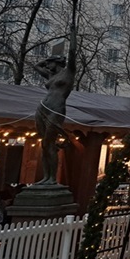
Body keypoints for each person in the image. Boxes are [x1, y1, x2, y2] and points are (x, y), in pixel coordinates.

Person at [34, 15, 77, 186]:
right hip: (43, 107)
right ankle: (46, 177)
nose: (47, 66)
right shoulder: (51, 75)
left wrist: (73, 34)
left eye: (50, 63)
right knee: (45, 145)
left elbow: (73, 53)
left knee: (48, 142)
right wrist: (48, 60)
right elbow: (36, 66)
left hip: (56, 110)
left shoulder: (68, 73)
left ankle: (52, 178)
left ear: (56, 63)